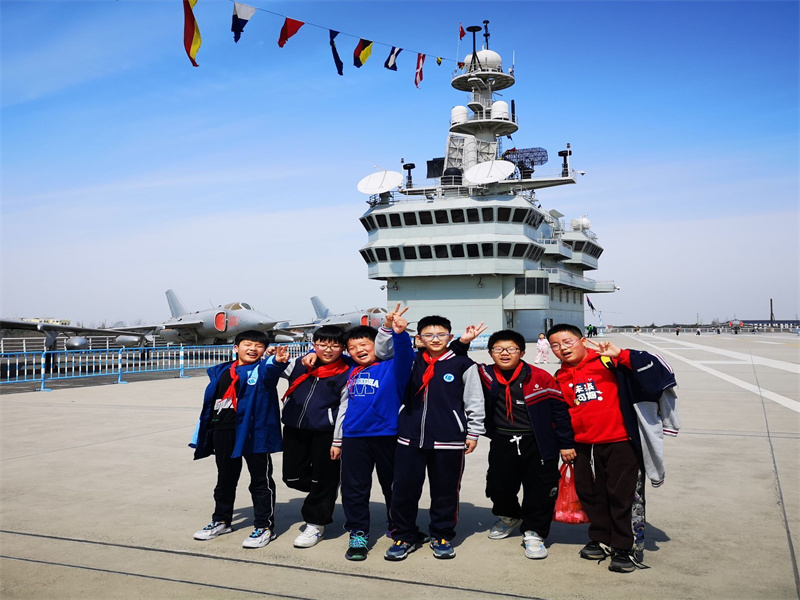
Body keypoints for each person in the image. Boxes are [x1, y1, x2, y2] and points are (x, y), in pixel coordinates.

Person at [546, 323, 679, 573]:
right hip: (583, 445)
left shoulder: (609, 362)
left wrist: (622, 354)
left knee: (623, 496)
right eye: (555, 345)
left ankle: (625, 547)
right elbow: (561, 413)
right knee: (590, 494)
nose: (562, 348)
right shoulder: (560, 376)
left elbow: (659, 373)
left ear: (582, 341)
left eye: (567, 342)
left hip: (620, 441)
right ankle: (602, 538)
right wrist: (565, 443)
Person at [384, 316, 485, 562]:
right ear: (419, 338)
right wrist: (391, 330)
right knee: (404, 491)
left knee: (445, 491)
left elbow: (474, 400)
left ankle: (441, 535)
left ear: (450, 337)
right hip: (409, 438)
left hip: (449, 440)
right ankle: (403, 536)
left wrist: (473, 432)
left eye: (441, 334)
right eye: (428, 335)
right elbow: (386, 352)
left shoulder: (463, 364)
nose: (435, 339)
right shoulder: (412, 361)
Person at [475, 329, 575, 560]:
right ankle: (510, 516)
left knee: (540, 489)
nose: (505, 353)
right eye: (498, 349)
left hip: (538, 442)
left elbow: (559, 411)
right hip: (502, 440)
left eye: (511, 349)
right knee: (499, 485)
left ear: (522, 352)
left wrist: (565, 443)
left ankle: (534, 532)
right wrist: (464, 341)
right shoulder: (486, 375)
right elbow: (458, 361)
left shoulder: (540, 377)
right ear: (490, 353)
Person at [192, 330, 289, 548]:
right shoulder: (222, 371)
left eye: (258, 345)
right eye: (247, 344)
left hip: (254, 434)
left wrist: (276, 360)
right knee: (225, 480)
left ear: (264, 350)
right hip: (223, 431)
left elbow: (271, 369)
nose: (253, 349)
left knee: (260, 482)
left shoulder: (262, 370)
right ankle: (221, 520)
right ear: (236, 347)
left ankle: (264, 527)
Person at [334, 309, 415, 561]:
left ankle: (400, 527)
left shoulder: (393, 367)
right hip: (354, 437)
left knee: (394, 486)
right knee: (354, 489)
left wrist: (397, 333)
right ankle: (358, 533)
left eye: (363, 344)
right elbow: (327, 358)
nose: (358, 350)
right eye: (352, 347)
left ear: (376, 344)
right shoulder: (351, 369)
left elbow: (405, 353)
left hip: (388, 435)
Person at [279, 325, 349, 548]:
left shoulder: (348, 371)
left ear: (343, 348)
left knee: (323, 478)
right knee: (292, 478)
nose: (328, 350)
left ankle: (316, 524)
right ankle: (327, 487)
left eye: (335, 345)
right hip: (295, 428)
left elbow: (345, 409)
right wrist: (273, 359)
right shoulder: (299, 364)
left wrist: (338, 440)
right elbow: (272, 371)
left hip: (326, 433)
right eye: (322, 344)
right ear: (314, 344)